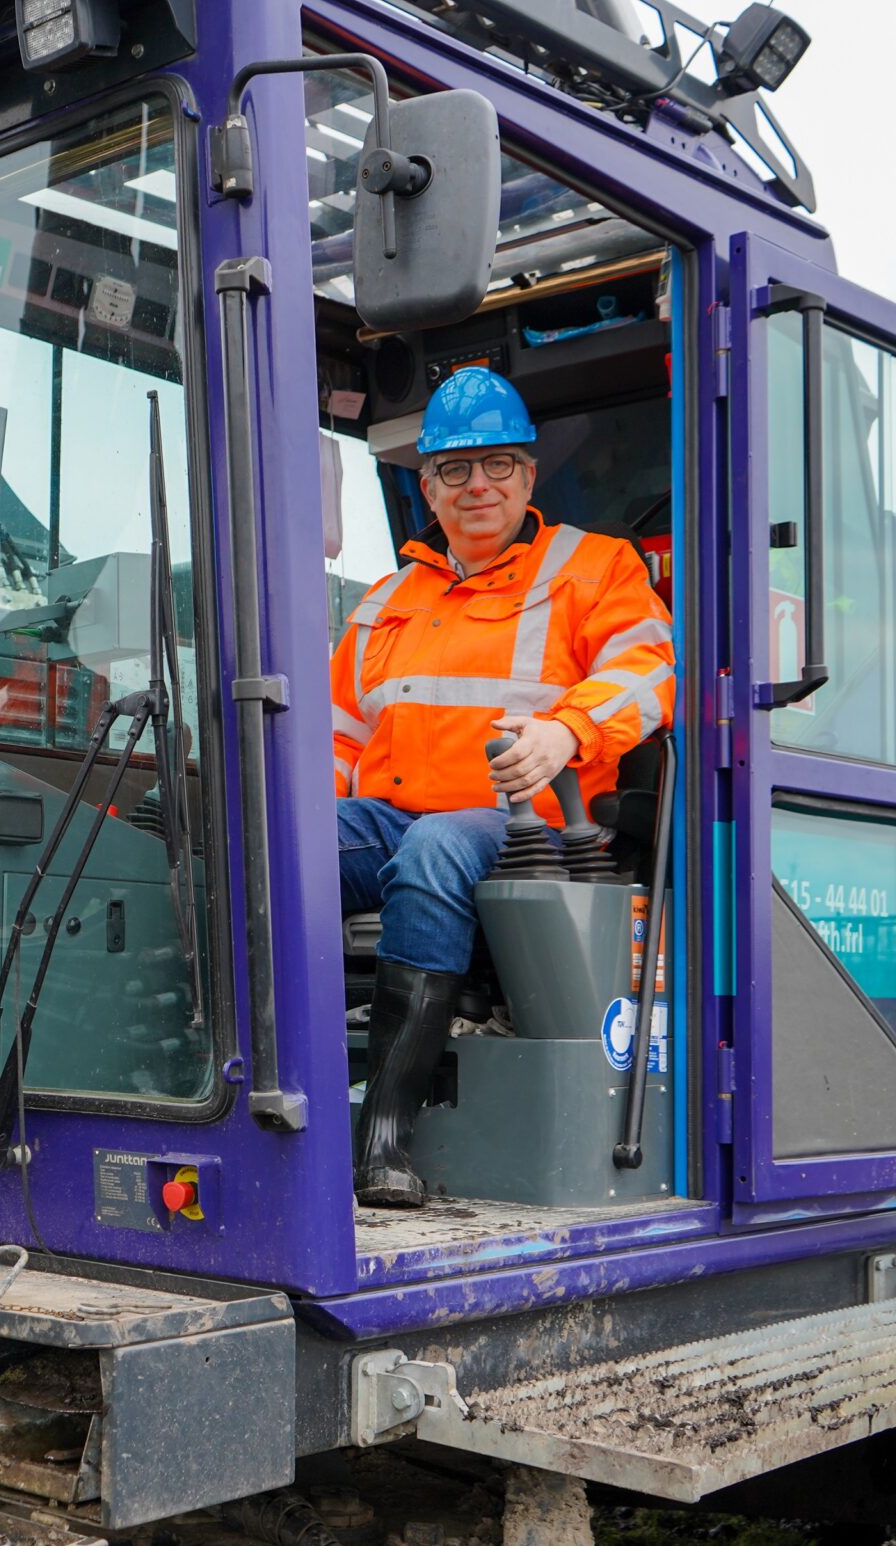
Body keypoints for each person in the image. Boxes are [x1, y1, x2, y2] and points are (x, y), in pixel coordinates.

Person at [331, 368, 675, 1208]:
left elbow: (649, 669)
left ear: (527, 476)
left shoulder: (595, 568)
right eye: (455, 469)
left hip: (531, 828)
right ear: (428, 488)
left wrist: (568, 730)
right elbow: (341, 736)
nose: (477, 485)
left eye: (497, 466)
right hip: (391, 817)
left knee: (438, 845)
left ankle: (384, 1135)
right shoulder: (384, 601)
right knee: (278, 841)